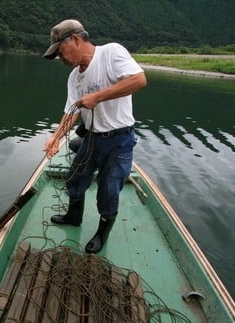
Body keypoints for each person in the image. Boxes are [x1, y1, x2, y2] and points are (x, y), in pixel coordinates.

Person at [42, 19, 147, 254]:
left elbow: (139, 80)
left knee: (108, 190)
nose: (61, 59)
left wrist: (98, 96)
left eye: (61, 52)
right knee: (75, 178)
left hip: (119, 140)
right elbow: (71, 113)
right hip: (92, 138)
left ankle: (102, 234)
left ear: (76, 40)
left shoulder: (111, 53)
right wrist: (54, 138)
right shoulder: (74, 78)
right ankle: (74, 216)